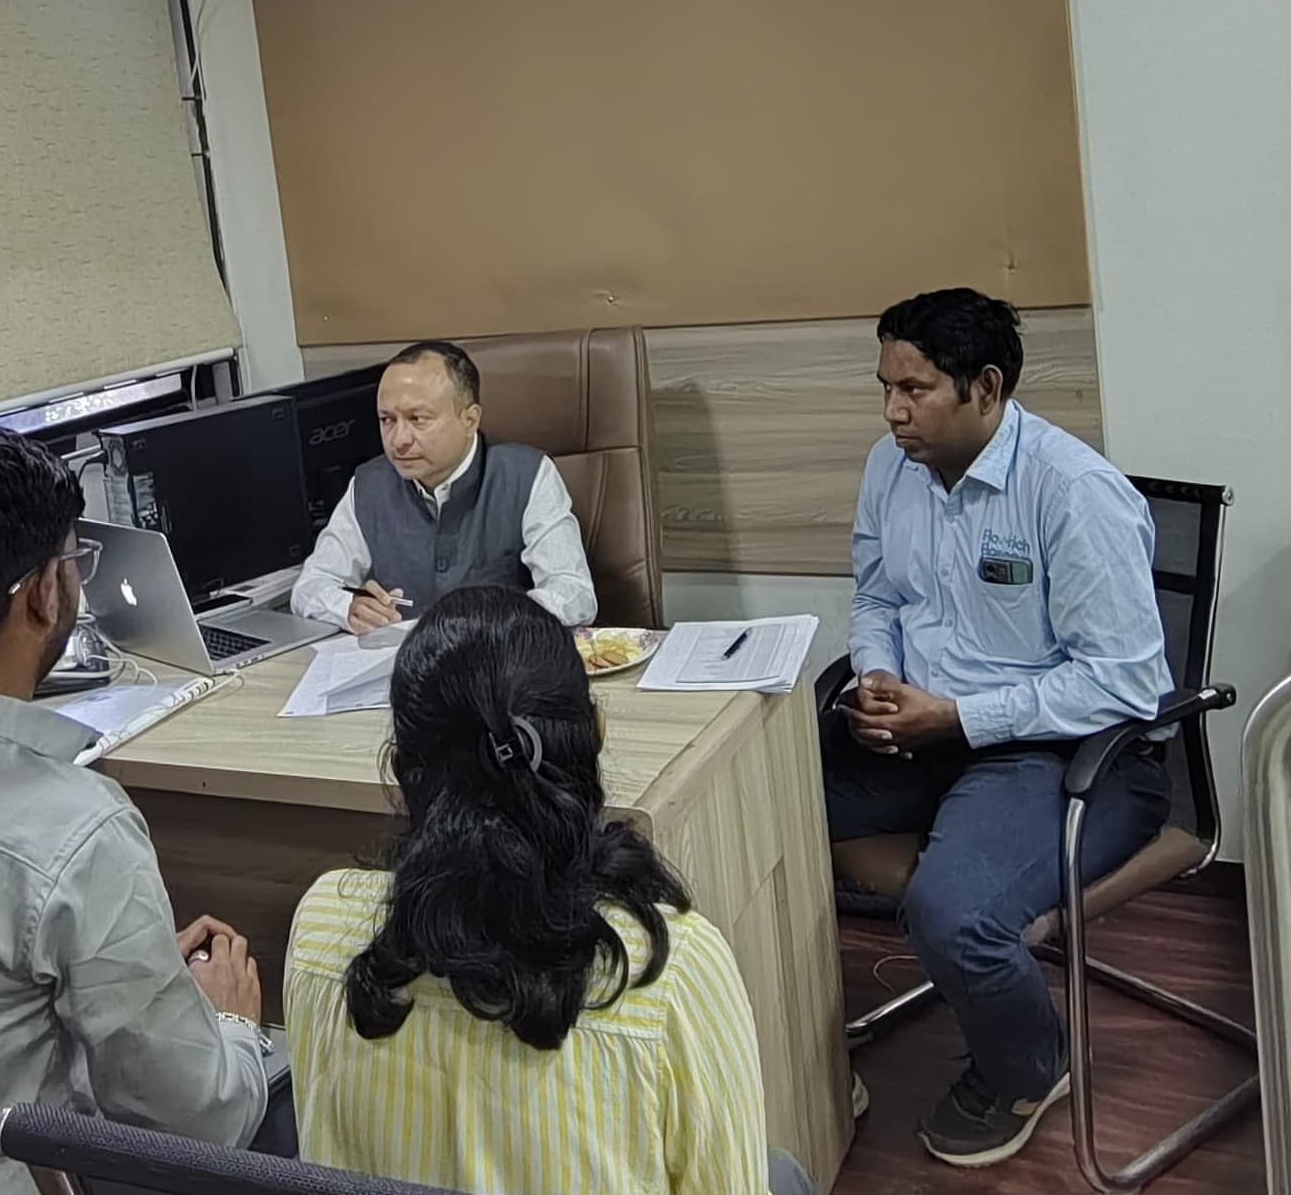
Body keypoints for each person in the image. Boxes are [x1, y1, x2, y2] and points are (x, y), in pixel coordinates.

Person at [284, 586, 817, 1195]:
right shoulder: (671, 969)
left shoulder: (321, 927)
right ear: (594, 733)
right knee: (784, 1175)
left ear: (403, 767)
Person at [0, 422, 269, 1193]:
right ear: (45, 593)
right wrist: (230, 1023)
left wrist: (127, 973)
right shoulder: (76, 831)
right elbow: (198, 1126)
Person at [825, 289, 1172, 1169]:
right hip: (924, 727)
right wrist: (877, 675)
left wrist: (959, 717)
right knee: (755, 802)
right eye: (885, 388)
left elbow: (1126, 683)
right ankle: (793, 1047)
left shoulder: (1073, 492)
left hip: (1061, 750)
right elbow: (878, 593)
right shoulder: (891, 467)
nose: (893, 412)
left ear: (985, 387)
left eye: (914, 390)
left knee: (955, 914)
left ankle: (1029, 1066)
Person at [291, 339, 596, 634]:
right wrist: (348, 607)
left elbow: (575, 594)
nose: (399, 440)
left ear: (470, 420)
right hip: (401, 662)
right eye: (387, 420)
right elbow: (309, 587)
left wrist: (494, 619)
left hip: (498, 658)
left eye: (418, 419)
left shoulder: (526, 475)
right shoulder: (369, 485)